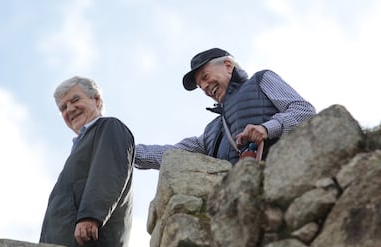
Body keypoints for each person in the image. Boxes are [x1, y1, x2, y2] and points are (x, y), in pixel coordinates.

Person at [135, 48, 316, 169]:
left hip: (284, 174)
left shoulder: (261, 80)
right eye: (200, 86)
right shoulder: (211, 132)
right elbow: (171, 155)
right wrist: (124, 152)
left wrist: (267, 128)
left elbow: (303, 111)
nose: (205, 87)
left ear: (228, 66)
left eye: (205, 77)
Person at [39, 76, 135, 247]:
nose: (70, 109)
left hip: (89, 246)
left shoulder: (109, 127)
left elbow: (108, 173)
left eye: (75, 100)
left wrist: (91, 217)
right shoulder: (81, 145)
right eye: (63, 107)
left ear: (96, 100)